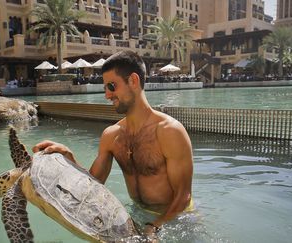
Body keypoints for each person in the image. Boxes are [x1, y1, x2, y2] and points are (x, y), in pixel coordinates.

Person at [33, 50, 193, 237]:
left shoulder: (169, 131)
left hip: (176, 219)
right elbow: (93, 184)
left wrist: (155, 226)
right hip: (137, 216)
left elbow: (183, 197)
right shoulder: (111, 135)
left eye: (111, 86)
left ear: (133, 80)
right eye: (105, 88)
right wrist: (70, 158)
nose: (107, 95)